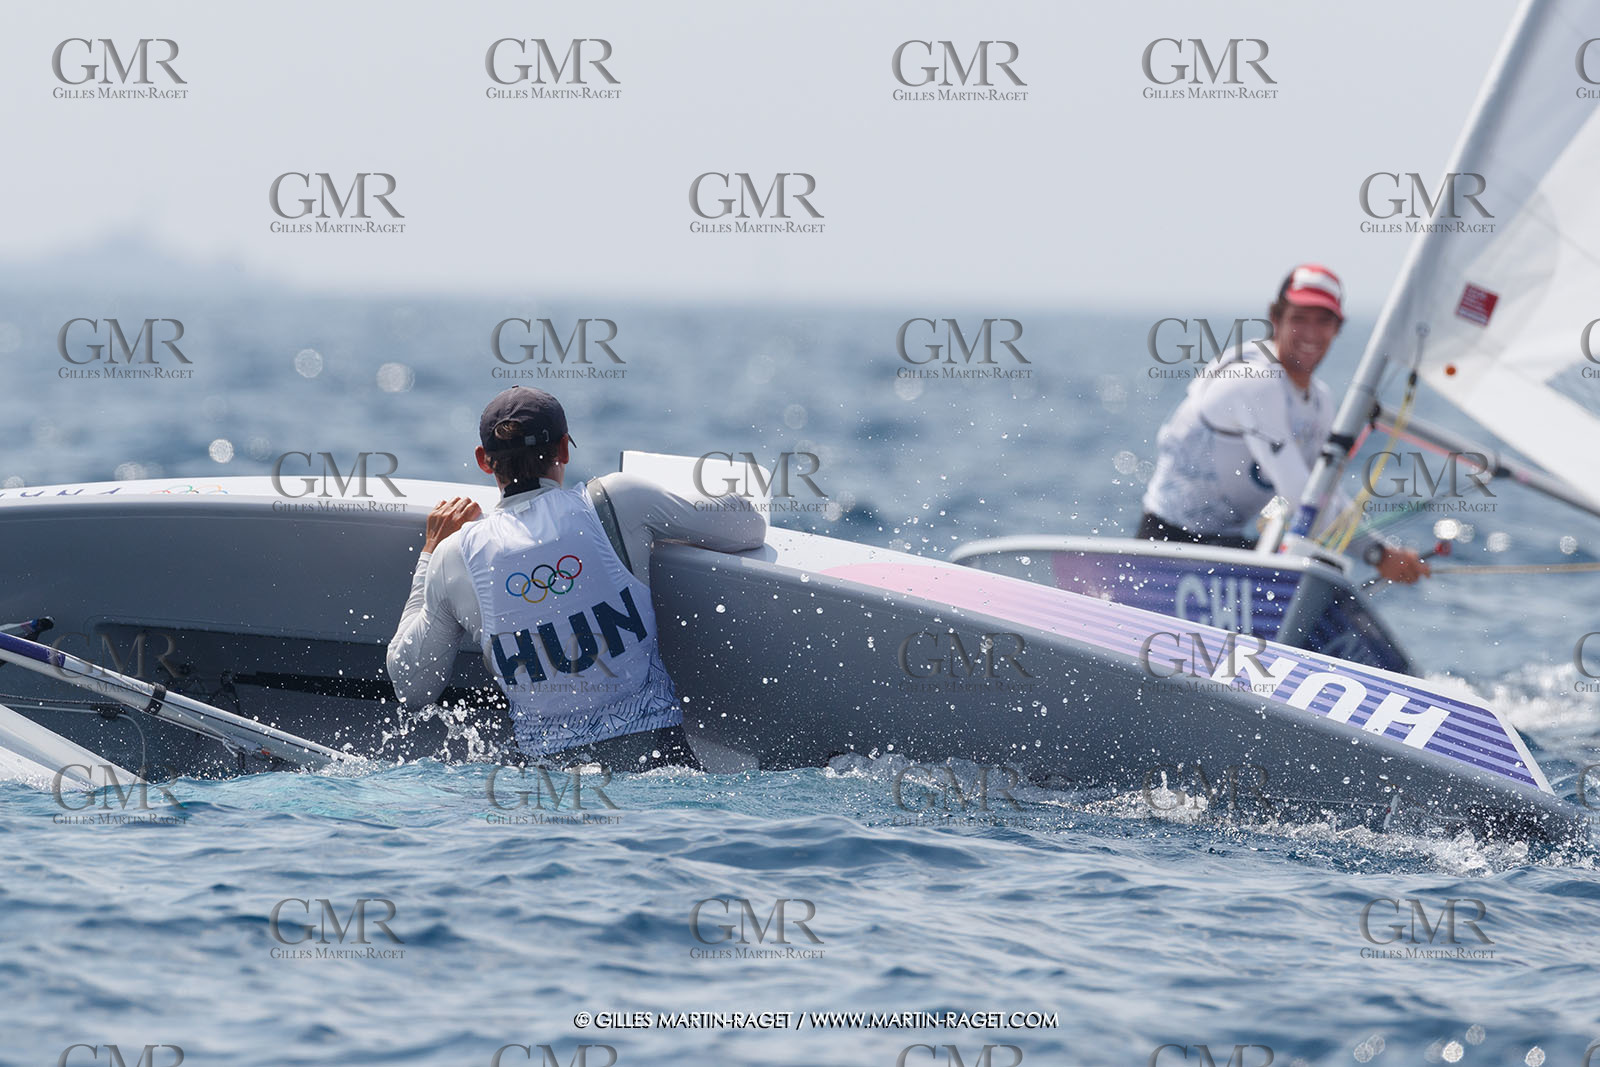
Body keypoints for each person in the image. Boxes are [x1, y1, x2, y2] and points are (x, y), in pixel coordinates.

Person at [386, 387, 767, 770]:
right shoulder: (616, 501)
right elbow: (748, 525)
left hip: (539, 791)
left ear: (484, 461)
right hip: (659, 771)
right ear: (564, 449)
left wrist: (429, 555)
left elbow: (412, 687)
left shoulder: (454, 558)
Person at [1138, 264, 1430, 583]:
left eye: (1323, 321)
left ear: (1337, 329)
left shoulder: (1319, 401)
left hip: (1224, 547)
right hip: (1165, 544)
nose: (1311, 333)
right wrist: (1378, 556)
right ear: (1275, 319)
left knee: (1324, 570)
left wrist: (1385, 550)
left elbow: (1321, 493)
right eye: (1299, 318)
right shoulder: (1253, 380)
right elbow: (1298, 493)